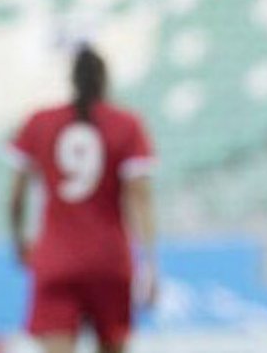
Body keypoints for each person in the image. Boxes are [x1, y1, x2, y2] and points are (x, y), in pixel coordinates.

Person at [8, 44, 157, 353]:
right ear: (105, 81)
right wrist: (150, 262)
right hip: (109, 259)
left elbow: (16, 198)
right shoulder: (126, 125)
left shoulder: (39, 122)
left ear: (72, 80)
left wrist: (19, 241)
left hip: (56, 257)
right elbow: (140, 199)